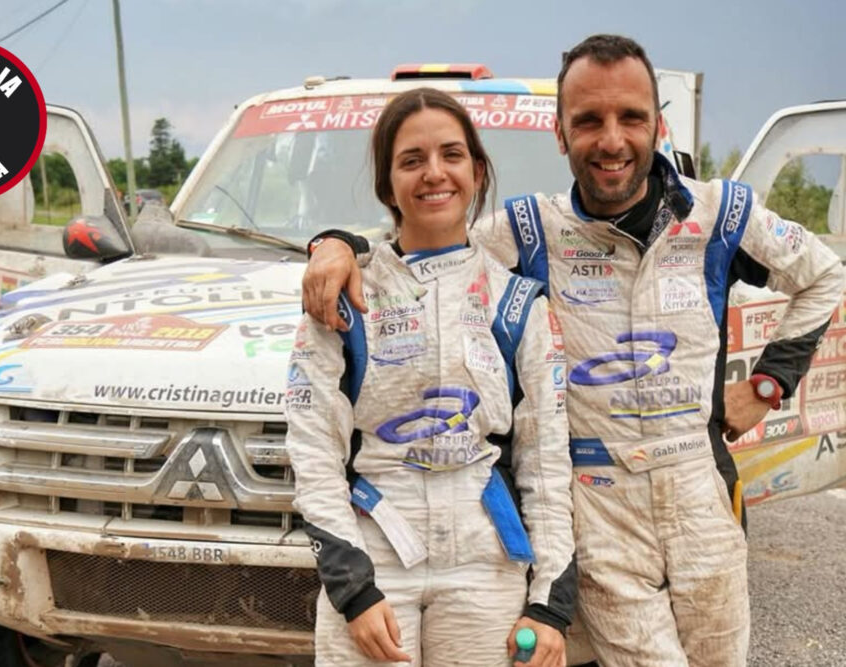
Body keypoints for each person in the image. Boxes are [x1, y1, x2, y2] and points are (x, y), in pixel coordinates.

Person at [301, 35, 846, 666]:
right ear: (562, 135)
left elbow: (826, 275)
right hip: (598, 499)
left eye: (631, 118)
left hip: (701, 491)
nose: (611, 140)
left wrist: (768, 385)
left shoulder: (720, 214)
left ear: (659, 126)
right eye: (588, 121)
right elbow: (424, 240)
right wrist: (335, 244)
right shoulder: (530, 230)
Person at [285, 87, 575, 666]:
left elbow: (547, 463)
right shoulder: (342, 293)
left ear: (477, 169)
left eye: (451, 155)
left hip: (485, 559)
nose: (433, 174)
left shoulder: (518, 303)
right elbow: (314, 453)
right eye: (411, 160)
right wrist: (354, 590)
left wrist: (548, 604)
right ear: (386, 186)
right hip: (377, 553)